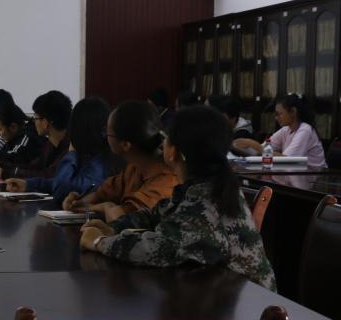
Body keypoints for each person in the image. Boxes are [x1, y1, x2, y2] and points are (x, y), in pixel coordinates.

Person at [79, 104, 276, 290]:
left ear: (173, 151)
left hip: (249, 308)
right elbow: (157, 214)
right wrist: (114, 227)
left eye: (166, 138)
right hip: (218, 297)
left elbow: (158, 248)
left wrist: (100, 242)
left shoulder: (206, 205)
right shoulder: (206, 187)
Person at [63, 100, 179, 222]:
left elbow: (123, 218)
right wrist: (79, 202)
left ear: (125, 145)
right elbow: (103, 194)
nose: (105, 136)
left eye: (108, 133)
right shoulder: (135, 168)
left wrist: (104, 207)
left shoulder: (167, 180)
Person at [5, 97, 118, 203]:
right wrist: (28, 184)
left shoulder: (100, 163)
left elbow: (61, 189)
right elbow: (61, 181)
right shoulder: (88, 155)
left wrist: (71, 153)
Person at [234, 94, 327, 169]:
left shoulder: (305, 130)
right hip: (296, 174)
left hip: (316, 177)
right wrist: (239, 147)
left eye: (279, 114)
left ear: (293, 112)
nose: (276, 118)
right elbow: (261, 152)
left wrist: (255, 146)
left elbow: (286, 161)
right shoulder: (285, 130)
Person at [6, 90, 73, 179]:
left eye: (36, 117)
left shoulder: (71, 148)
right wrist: (1, 166)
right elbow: (35, 166)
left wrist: (5, 173)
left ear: (45, 123)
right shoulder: (51, 143)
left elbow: (47, 175)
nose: (34, 121)